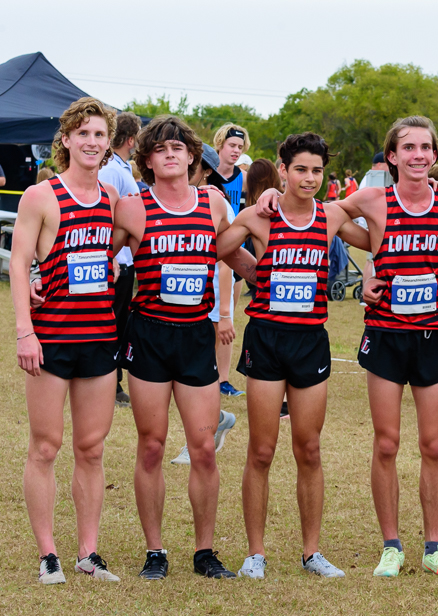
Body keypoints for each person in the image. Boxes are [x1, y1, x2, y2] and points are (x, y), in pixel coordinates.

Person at [220, 132, 369, 579]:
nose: (309, 178)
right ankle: (255, 553)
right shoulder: (258, 216)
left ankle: (311, 552)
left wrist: (429, 189)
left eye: (317, 171)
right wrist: (253, 271)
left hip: (310, 342)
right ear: (282, 170)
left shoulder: (331, 215)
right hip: (266, 339)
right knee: (262, 450)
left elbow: (380, 228)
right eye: (300, 169)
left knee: (309, 448)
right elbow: (221, 246)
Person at [115, 115, 255, 580]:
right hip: (150, 335)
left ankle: (205, 551)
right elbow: (99, 258)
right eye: (160, 148)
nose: (171, 153)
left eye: (179, 146)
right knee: (152, 446)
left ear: (193, 155)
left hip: (196, 334)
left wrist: (271, 279)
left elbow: (232, 255)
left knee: (203, 447)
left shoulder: (213, 202)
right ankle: (155, 552)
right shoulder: (133, 207)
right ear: (147, 160)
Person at [341, 116, 438, 578]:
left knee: (433, 444)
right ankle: (391, 545)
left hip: (434, 334)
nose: (418, 155)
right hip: (387, 335)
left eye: (426, 147)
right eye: (408, 147)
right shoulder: (374, 197)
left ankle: (434, 548)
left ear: (435, 155)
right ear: (391, 156)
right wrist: (371, 258)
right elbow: (328, 217)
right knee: (388, 442)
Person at [12, 97, 122, 584]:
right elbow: (18, 265)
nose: (92, 143)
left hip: (99, 337)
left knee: (92, 448)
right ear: (67, 140)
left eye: (100, 135)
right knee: (45, 446)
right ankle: (47, 554)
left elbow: (117, 253)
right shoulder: (41, 196)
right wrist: (24, 331)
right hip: (51, 338)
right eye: (84, 134)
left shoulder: (114, 199)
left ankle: (88, 552)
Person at [169, 144, 239, 466]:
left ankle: (199, 437)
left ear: (206, 171)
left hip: (209, 301)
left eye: (194, 164)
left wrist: (224, 313)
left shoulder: (215, 203)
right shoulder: (171, 200)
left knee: (202, 379)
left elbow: (227, 264)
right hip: (177, 307)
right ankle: (218, 420)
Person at [98, 111, 142, 407]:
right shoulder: (113, 170)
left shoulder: (123, 169)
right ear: (130, 139)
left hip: (125, 261)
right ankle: (110, 383)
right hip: (117, 260)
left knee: (120, 320)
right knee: (113, 321)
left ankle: (112, 380)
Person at [208, 123, 251, 397]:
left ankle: (223, 378)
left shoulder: (244, 179)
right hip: (207, 253)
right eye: (232, 146)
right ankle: (204, 372)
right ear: (220, 145)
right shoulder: (206, 174)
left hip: (234, 254)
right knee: (204, 318)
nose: (236, 151)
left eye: (240, 147)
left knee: (228, 317)